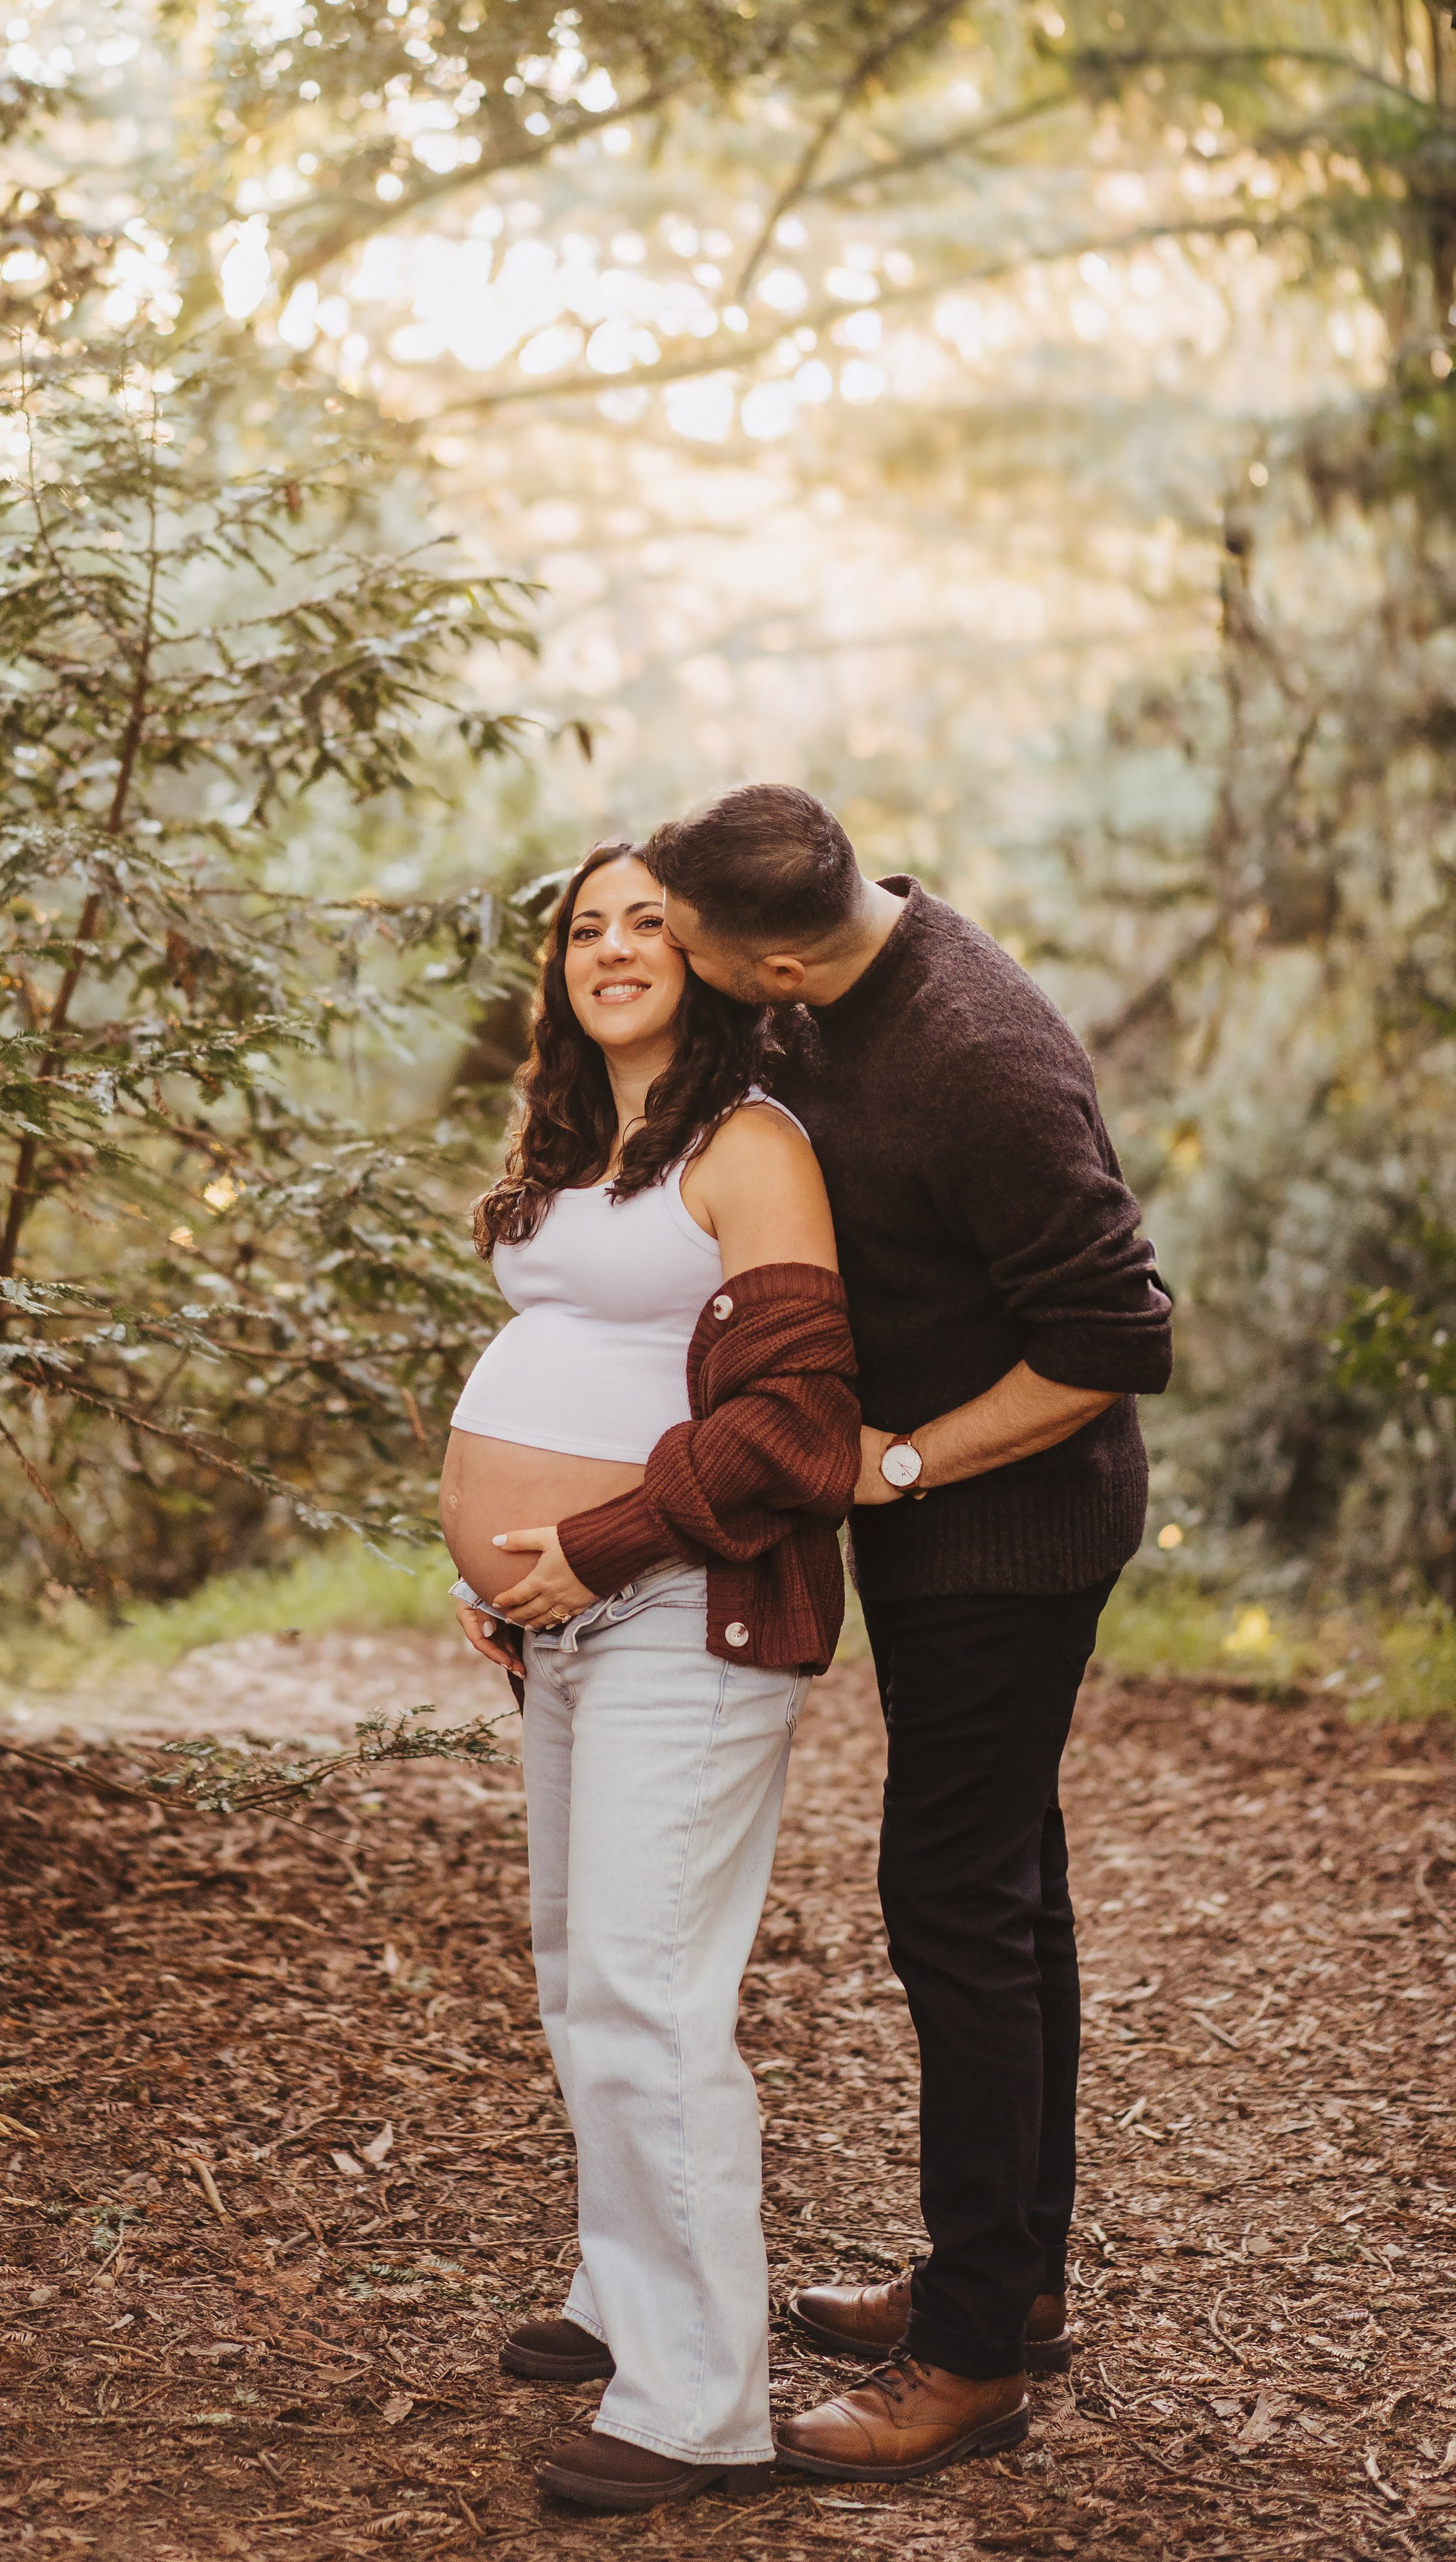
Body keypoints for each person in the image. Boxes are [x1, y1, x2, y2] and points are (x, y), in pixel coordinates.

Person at [613, 782, 1174, 2486]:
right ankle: (1005, 2289)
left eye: (692, 950)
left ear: (778, 951)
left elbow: (1113, 1335)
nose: (679, 971)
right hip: (937, 1534)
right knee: (1007, 1895)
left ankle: (966, 2365)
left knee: (952, 1905)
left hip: (1005, 1530)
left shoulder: (977, 1056)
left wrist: (901, 1461)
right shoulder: (818, 987)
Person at [440, 839, 860, 2516]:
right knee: (575, 1972)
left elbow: (796, 1427)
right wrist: (494, 1566)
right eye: (583, 927)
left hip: (689, 1616)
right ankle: (624, 2296)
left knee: (644, 1991)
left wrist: (595, 1543)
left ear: (698, 954)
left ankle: (700, 2408)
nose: (612, 948)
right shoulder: (576, 1144)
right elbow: (569, 1366)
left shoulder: (750, 1147)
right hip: (569, 1619)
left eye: (645, 925)